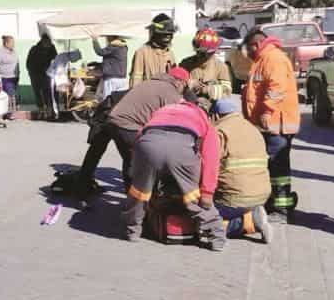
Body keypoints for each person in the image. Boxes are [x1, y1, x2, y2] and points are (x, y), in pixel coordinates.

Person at [122, 99, 225, 251]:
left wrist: (136, 170)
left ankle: (133, 231)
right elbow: (211, 157)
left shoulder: (162, 111)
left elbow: (139, 137)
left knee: (140, 192)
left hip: (149, 146)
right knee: (193, 196)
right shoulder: (201, 116)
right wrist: (207, 191)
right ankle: (216, 237)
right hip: (181, 150)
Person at [75, 67, 190, 196]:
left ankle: (127, 197)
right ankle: (135, 203)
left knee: (128, 159)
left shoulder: (150, 82)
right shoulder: (170, 92)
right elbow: (179, 117)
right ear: (180, 82)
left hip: (112, 118)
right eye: (184, 86)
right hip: (125, 124)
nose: (183, 90)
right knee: (138, 164)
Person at [243, 29, 301, 224]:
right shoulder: (263, 59)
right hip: (268, 124)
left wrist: (267, 111)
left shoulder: (273, 58)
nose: (247, 53)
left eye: (249, 48)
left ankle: (281, 209)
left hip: (276, 124)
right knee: (272, 167)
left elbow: (276, 88)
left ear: (256, 44)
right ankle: (276, 203)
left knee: (278, 169)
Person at [212, 97, 273, 243]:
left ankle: (249, 221)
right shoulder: (253, 129)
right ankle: (253, 213)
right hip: (262, 195)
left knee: (202, 222)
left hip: (234, 200)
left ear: (217, 115)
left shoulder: (219, 131)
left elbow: (208, 166)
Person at [180, 28, 233, 111]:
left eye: (208, 54)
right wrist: (190, 84)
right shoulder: (186, 64)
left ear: (214, 51)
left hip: (212, 110)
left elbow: (227, 91)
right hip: (189, 109)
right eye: (200, 53)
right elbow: (176, 85)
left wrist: (208, 89)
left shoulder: (221, 67)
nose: (203, 57)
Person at [129, 14, 176, 87]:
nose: (168, 37)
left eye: (170, 34)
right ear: (155, 33)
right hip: (148, 96)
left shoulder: (170, 53)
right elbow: (135, 82)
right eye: (164, 34)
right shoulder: (142, 52)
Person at [86, 29, 129, 100]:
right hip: (122, 79)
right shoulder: (123, 47)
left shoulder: (114, 46)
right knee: (118, 101)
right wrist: (97, 64)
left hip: (112, 79)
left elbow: (100, 52)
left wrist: (94, 40)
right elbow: (113, 62)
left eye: (107, 37)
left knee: (108, 101)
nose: (106, 38)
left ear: (111, 37)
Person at [26, 34, 58, 119]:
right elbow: (29, 62)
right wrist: (31, 73)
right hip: (35, 74)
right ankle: (41, 110)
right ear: (44, 41)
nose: (49, 44)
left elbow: (56, 59)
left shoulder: (51, 48)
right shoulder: (35, 49)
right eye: (48, 42)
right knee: (38, 93)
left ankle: (49, 111)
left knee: (48, 93)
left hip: (47, 74)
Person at [0, 35, 20, 119]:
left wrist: (18, 74)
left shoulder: (14, 52)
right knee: (9, 95)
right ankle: (8, 113)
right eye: (12, 43)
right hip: (4, 78)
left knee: (12, 95)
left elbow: (17, 63)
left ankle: (11, 112)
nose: (13, 44)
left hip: (13, 77)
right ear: (6, 43)